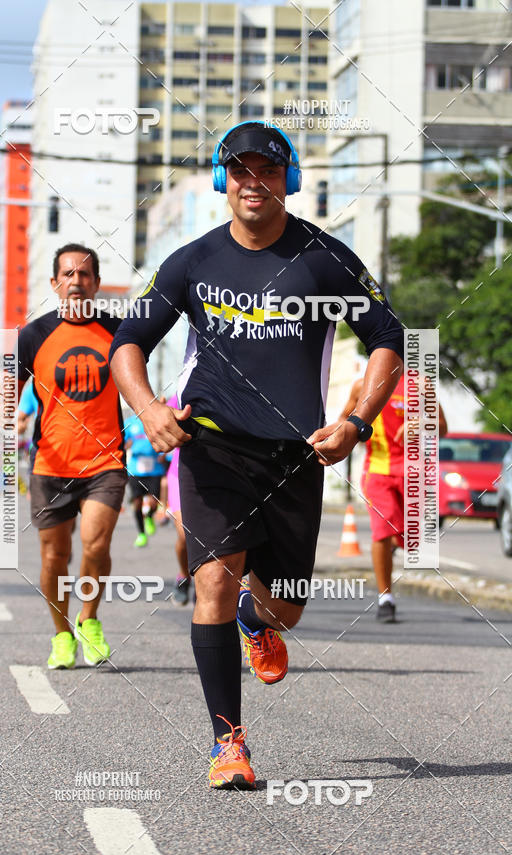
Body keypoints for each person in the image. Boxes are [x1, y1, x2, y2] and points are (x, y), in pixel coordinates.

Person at [110, 120, 405, 789]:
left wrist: (358, 420)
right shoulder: (193, 261)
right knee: (213, 577)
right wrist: (151, 409)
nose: (253, 183)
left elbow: (389, 337)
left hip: (297, 455)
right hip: (211, 444)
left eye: (267, 171)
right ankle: (228, 745)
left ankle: (257, 619)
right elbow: (128, 341)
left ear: (287, 180)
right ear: (223, 180)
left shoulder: (326, 259)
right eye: (240, 171)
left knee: (286, 606)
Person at [17, 243, 127, 670]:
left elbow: (136, 381)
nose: (76, 282)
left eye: (84, 275)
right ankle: (61, 633)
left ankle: (90, 619)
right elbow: (10, 389)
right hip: (51, 464)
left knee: (95, 543)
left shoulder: (119, 332)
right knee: (53, 557)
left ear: (96, 283)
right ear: (54, 283)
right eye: (68, 274)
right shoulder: (34, 335)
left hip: (105, 461)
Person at [340, 374, 448, 622]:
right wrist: (351, 432)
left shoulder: (421, 385)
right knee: (383, 528)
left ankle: (393, 547)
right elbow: (344, 420)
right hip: (377, 471)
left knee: (408, 541)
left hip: (413, 473)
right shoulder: (362, 385)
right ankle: (385, 598)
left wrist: (422, 423)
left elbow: (442, 426)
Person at [124, 414, 166, 548]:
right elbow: (121, 443)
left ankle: (149, 516)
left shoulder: (155, 419)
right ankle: (141, 534)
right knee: (137, 503)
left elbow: (163, 439)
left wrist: (163, 453)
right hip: (135, 470)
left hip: (154, 469)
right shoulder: (129, 423)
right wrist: (126, 445)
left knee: (154, 501)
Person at [165, 395, 192, 606]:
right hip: (181, 469)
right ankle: (184, 576)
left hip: (222, 468)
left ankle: (206, 584)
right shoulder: (179, 396)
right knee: (185, 533)